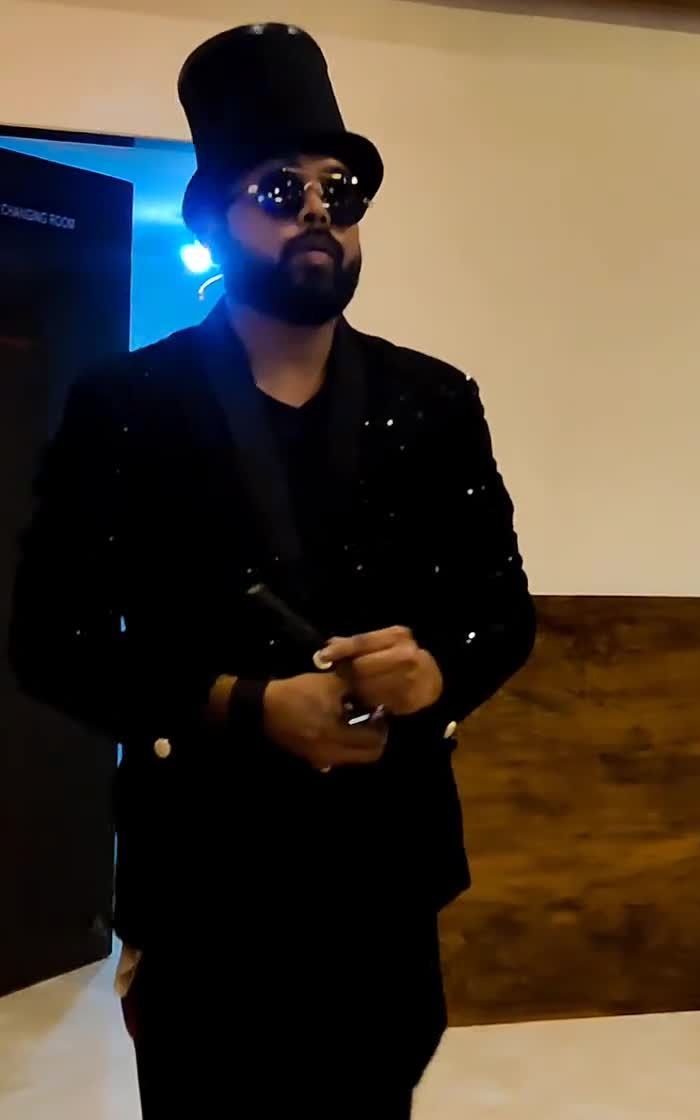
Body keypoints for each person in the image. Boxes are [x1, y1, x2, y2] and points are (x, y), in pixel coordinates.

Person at [8, 23, 535, 1120]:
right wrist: (241, 704)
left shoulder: (436, 402)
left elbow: (500, 609)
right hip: (206, 878)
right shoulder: (124, 406)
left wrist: (437, 673)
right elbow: (49, 640)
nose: (317, 211)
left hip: (385, 874)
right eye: (281, 187)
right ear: (211, 217)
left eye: (342, 191)